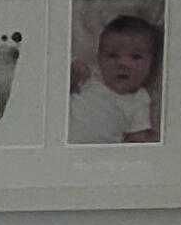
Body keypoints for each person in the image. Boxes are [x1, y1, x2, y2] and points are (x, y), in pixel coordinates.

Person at [69, 12, 162, 144]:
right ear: (99, 59)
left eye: (136, 57)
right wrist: (75, 70)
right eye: (112, 55)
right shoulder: (92, 76)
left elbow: (139, 135)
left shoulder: (139, 99)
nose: (123, 64)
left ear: (151, 64)